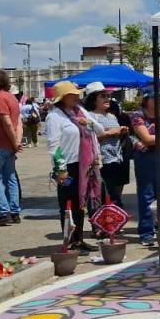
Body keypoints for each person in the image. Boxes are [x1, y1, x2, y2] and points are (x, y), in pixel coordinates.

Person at [45, 81, 102, 252]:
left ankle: (79, 239)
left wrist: (88, 123)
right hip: (68, 165)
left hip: (85, 164)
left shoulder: (81, 111)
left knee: (80, 203)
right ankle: (69, 240)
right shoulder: (54, 116)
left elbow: (99, 129)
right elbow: (53, 145)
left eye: (77, 93)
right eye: (73, 94)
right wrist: (60, 169)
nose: (77, 96)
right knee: (67, 204)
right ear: (63, 97)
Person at [131, 91, 160, 245]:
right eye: (155, 97)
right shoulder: (138, 116)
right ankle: (146, 232)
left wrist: (153, 140)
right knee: (147, 194)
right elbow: (147, 139)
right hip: (145, 160)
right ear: (146, 99)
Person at [0, 69, 23, 226]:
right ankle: (14, 212)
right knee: (11, 178)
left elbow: (6, 122)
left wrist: (15, 142)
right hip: (9, 145)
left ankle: (3, 213)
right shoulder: (12, 98)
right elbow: (18, 123)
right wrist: (17, 142)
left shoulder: (0, 98)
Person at [84, 82, 128, 209]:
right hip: (101, 161)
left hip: (116, 160)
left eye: (108, 96)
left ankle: (112, 223)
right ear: (93, 100)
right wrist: (109, 133)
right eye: (103, 96)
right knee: (105, 195)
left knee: (114, 194)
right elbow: (88, 140)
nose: (107, 99)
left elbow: (119, 140)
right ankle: (105, 223)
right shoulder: (90, 116)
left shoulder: (112, 116)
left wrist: (122, 133)